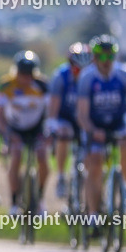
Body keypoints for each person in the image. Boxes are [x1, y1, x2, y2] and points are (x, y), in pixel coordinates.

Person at [75, 35, 126, 228]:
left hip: (119, 122)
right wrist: (92, 130)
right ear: (95, 58)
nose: (106, 62)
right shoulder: (87, 77)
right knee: (95, 163)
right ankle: (93, 213)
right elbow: (82, 113)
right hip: (94, 124)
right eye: (102, 57)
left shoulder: (125, 74)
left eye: (110, 57)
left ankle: (124, 185)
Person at [0, 51, 50, 215]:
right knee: (16, 155)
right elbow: (0, 115)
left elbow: (50, 111)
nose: (26, 78)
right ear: (16, 71)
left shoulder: (42, 85)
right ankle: (14, 201)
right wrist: (6, 133)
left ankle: (39, 199)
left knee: (42, 157)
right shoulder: (7, 85)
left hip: (36, 128)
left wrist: (48, 132)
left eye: (30, 75)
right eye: (22, 74)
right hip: (15, 128)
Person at [46, 43, 92, 201]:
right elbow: (53, 106)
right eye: (78, 69)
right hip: (65, 117)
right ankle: (60, 176)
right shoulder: (61, 76)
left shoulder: (94, 77)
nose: (82, 74)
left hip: (86, 119)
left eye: (86, 69)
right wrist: (52, 125)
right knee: (64, 133)